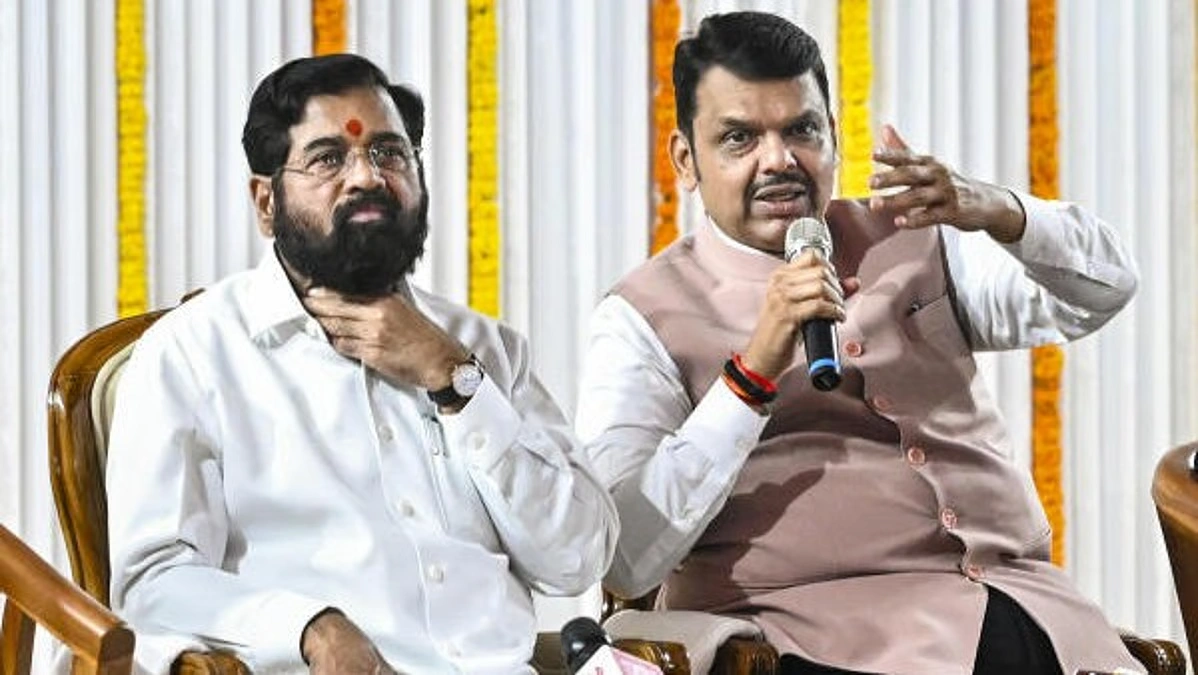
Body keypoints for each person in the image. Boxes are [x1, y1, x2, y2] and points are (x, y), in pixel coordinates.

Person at [576, 11, 1142, 675]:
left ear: (834, 137)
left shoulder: (914, 235)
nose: (778, 160)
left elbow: (1104, 289)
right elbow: (624, 553)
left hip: (1022, 607)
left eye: (801, 130)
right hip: (805, 637)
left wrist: (998, 210)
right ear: (685, 160)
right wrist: (751, 374)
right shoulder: (641, 317)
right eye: (739, 138)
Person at [106, 53, 618, 675]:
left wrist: (455, 380)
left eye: (389, 153)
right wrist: (307, 627)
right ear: (266, 201)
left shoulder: (482, 347)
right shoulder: (194, 354)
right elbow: (154, 584)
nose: (367, 177)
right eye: (328, 158)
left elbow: (576, 559)